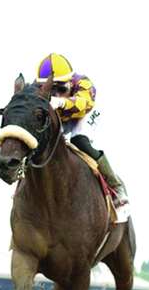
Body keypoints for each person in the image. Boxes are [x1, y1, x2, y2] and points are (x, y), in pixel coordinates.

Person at [36, 53, 129, 206]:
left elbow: (83, 103)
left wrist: (61, 102)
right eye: (51, 90)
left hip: (83, 113)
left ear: (71, 83)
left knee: (79, 141)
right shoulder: (35, 87)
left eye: (62, 88)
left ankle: (115, 185)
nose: (57, 94)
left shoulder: (84, 83)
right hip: (60, 117)